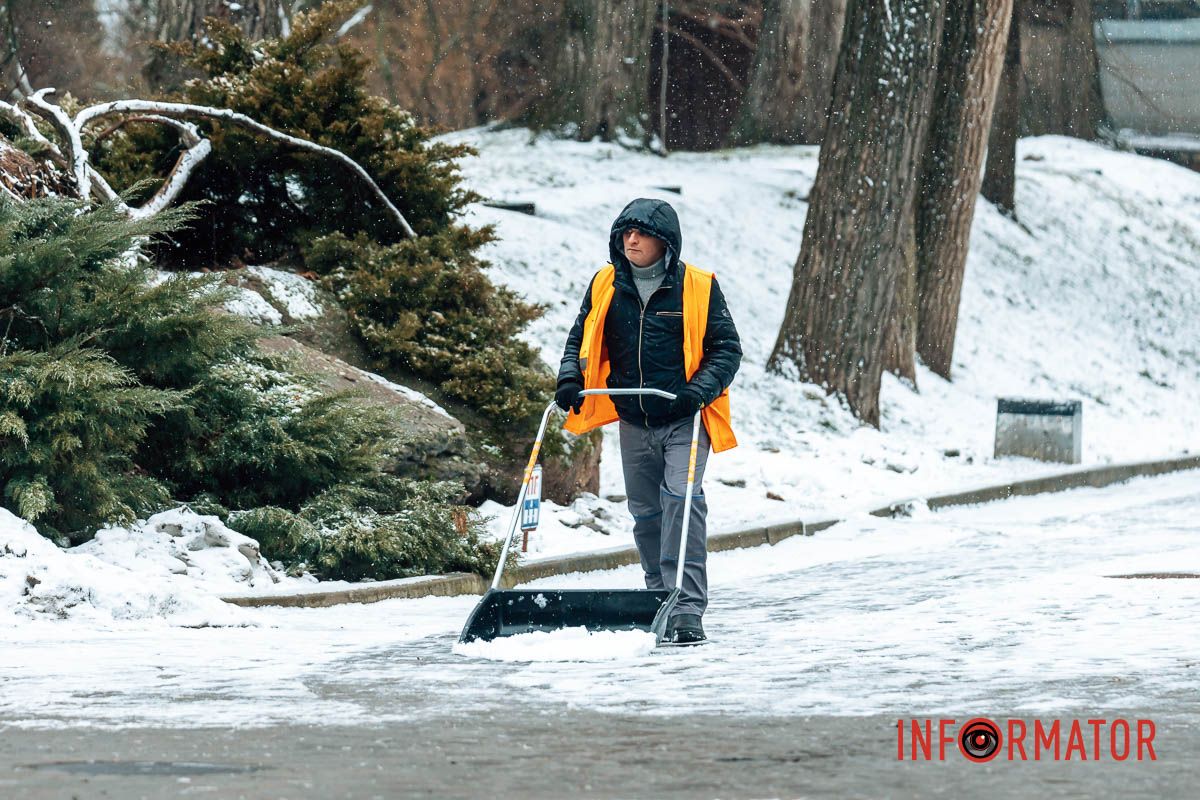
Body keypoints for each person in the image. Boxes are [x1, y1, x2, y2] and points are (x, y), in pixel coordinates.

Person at [555, 198, 741, 645]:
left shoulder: (698, 286)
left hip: (684, 418)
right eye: (625, 232)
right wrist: (569, 376)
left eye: (641, 233)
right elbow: (580, 335)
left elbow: (726, 349)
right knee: (646, 514)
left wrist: (695, 393)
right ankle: (658, 599)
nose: (631, 240)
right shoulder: (606, 283)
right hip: (632, 417)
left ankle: (688, 607)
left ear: (666, 242)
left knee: (682, 500)